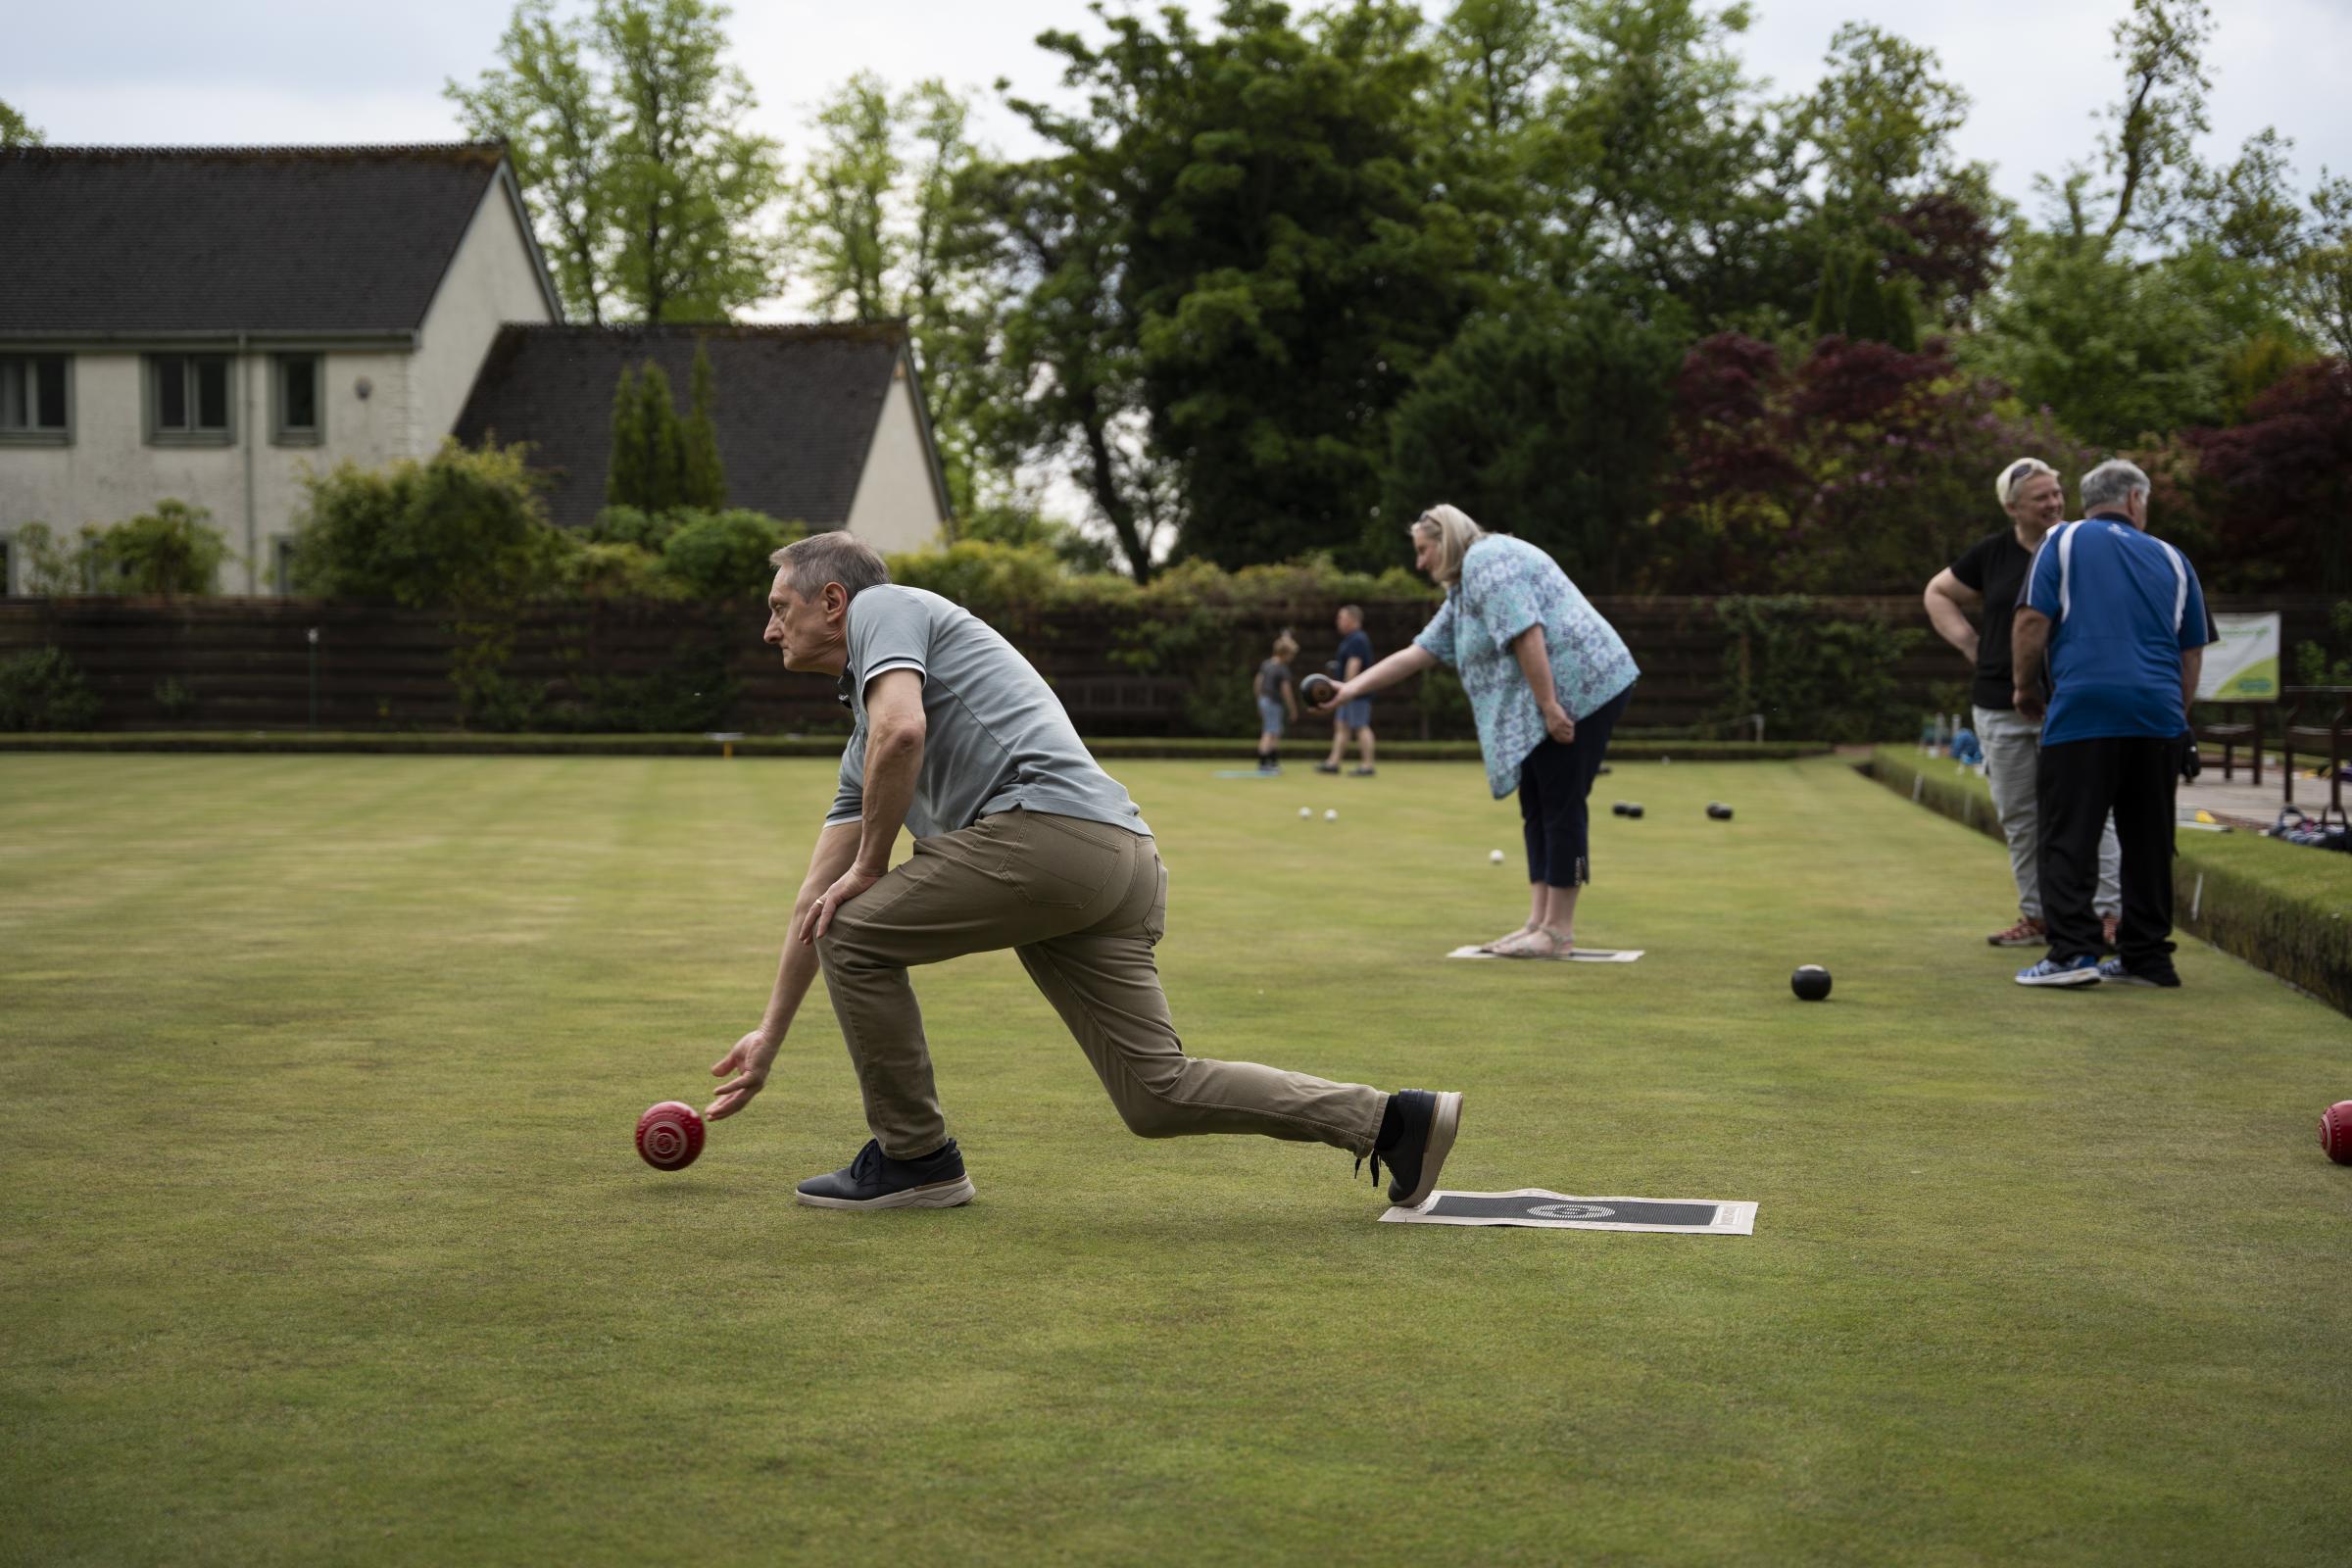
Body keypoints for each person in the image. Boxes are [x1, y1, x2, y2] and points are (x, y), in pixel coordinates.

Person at [705, 531, 1462, 1209]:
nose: (770, 629)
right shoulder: (859, 741)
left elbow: (903, 732)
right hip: (1117, 861)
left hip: (1053, 842)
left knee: (856, 931)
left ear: (834, 602)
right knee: (1155, 1096)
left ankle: (915, 1158)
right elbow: (816, 893)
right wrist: (771, 1032)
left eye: (780, 607)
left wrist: (873, 865)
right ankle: (1393, 1120)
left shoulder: (887, 607)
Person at [1315, 505, 1638, 957]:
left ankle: (1558, 932)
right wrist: (1347, 691)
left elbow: (1527, 633)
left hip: (1587, 688)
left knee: (1562, 801)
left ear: (1446, 540)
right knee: (1537, 800)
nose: (1420, 563)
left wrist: (1549, 707)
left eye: (1424, 551)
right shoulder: (1464, 590)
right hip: (1557, 694)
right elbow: (1417, 653)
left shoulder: (1490, 562)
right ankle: (1538, 922)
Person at [2009, 460, 2214, 989]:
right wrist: (2176, 719)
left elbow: (2032, 619)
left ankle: (2074, 954)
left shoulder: (2062, 540)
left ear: (2087, 501)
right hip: (2157, 718)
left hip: (2083, 711)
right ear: (2135, 501)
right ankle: (2147, 957)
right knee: (2147, 842)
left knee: (2069, 835)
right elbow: (2190, 651)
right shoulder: (2173, 557)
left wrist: (2024, 688)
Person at [1924, 458, 2123, 951]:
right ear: (2013, 508)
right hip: (1998, 704)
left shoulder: (2083, 547)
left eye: (2057, 493)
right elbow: (1937, 593)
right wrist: (1972, 646)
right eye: (2042, 498)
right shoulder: (1992, 554)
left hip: (2072, 700)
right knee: (2020, 815)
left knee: (2094, 810)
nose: (2055, 503)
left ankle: (2108, 915)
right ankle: (2039, 917)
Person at [1316, 606, 1377, 776]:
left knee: (1360, 726)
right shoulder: (1350, 639)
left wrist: (1348, 689)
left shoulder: (1357, 639)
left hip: (1357, 693)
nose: (1338, 621)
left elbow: (1354, 664)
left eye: (1341, 617)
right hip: (1348, 692)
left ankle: (1367, 765)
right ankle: (1333, 763)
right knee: (1341, 726)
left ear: (1352, 619)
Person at [1252, 631, 1301, 773]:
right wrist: (1292, 709)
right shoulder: (1282, 669)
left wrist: (1259, 700)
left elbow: (1257, 683)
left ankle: (1272, 762)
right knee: (1270, 731)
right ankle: (1264, 762)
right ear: (1285, 654)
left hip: (1264, 700)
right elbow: (1286, 691)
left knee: (1273, 731)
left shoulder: (1266, 664)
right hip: (1274, 702)